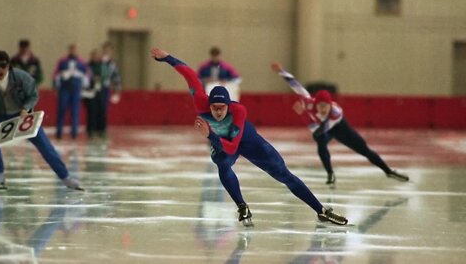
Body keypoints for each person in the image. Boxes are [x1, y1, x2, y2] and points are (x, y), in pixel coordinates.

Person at [151, 48, 348, 226]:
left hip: (246, 141)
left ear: (230, 105)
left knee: (283, 174)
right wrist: (167, 58)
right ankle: (242, 206)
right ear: (208, 105)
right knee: (222, 163)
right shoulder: (200, 103)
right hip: (222, 142)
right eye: (214, 108)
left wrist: (210, 134)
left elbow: (232, 146)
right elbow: (190, 74)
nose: (218, 112)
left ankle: (321, 210)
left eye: (222, 109)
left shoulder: (239, 111)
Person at [271, 62, 410, 184]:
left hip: (339, 128)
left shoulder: (335, 112)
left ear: (330, 105)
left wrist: (303, 115)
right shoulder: (308, 103)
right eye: (321, 106)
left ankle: (388, 171)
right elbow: (295, 84)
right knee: (320, 142)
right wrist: (281, 71)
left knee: (364, 150)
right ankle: (330, 174)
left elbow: (321, 129)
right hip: (323, 128)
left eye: (326, 106)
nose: (323, 109)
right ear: (316, 104)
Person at [0, 50, 83, 190]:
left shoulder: (22, 78)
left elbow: (33, 95)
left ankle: (65, 176)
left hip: (21, 116)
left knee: (44, 143)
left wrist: (26, 108)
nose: (0, 69)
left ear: (9, 66)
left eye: (3, 66)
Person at [52, 44, 88, 140]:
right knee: (62, 110)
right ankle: (59, 132)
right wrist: (56, 86)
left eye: (74, 50)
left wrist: (84, 86)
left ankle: (74, 133)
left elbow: (87, 75)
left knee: (75, 111)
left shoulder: (81, 62)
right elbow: (55, 74)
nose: (73, 51)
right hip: (65, 89)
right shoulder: (62, 61)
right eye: (71, 50)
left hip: (76, 89)